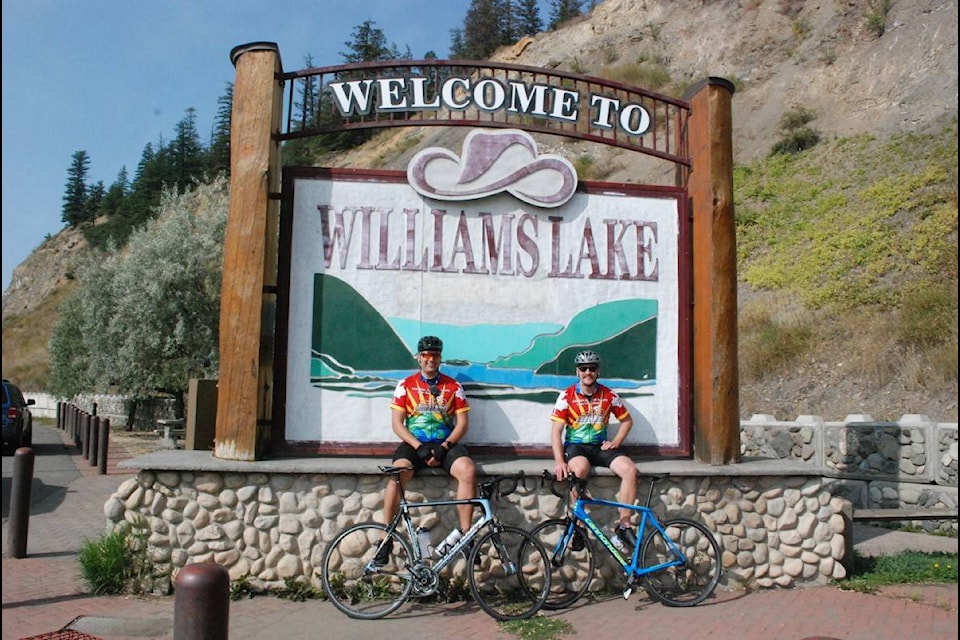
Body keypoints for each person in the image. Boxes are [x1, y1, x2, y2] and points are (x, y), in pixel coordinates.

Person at [375, 335, 477, 565]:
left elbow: (462, 424)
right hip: (414, 443)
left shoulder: (453, 386)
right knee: (397, 473)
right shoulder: (406, 385)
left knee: (468, 470)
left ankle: (466, 536)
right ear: (419, 358)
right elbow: (397, 424)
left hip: (444, 443)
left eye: (436, 355)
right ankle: (385, 537)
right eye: (427, 355)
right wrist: (418, 447)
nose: (431, 359)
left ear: (440, 358)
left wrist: (445, 447)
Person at [550, 350, 639, 549]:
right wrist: (559, 461)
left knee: (630, 471)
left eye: (592, 368)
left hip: (600, 446)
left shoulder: (609, 395)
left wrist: (616, 441)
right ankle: (579, 527)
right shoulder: (566, 396)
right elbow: (556, 432)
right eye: (583, 368)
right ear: (577, 372)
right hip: (576, 446)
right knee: (579, 470)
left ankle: (625, 526)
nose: (587, 372)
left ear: (598, 371)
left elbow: (626, 421)